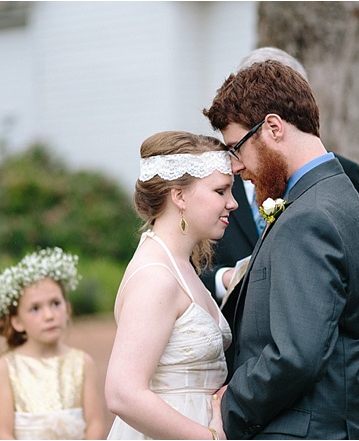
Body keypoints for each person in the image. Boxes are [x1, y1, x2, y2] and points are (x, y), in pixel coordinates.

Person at [203, 60, 359, 439]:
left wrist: (230, 406)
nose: (236, 168)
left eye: (236, 148)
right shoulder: (336, 195)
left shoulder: (310, 216)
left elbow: (295, 356)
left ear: (273, 127)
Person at [199, 47, 359, 309]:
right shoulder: (212, 183)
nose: (235, 165)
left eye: (238, 147)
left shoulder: (338, 180)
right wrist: (226, 278)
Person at [104, 131, 238, 440]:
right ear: (179, 196)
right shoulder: (156, 276)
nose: (232, 203)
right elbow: (122, 393)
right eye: (220, 191)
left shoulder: (180, 265)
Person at [0, 247, 105, 440]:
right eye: (35, 308)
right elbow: (3, 433)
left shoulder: (83, 362)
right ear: (17, 321)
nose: (49, 315)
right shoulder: (6, 368)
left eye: (55, 304)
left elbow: (95, 424)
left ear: (68, 309)